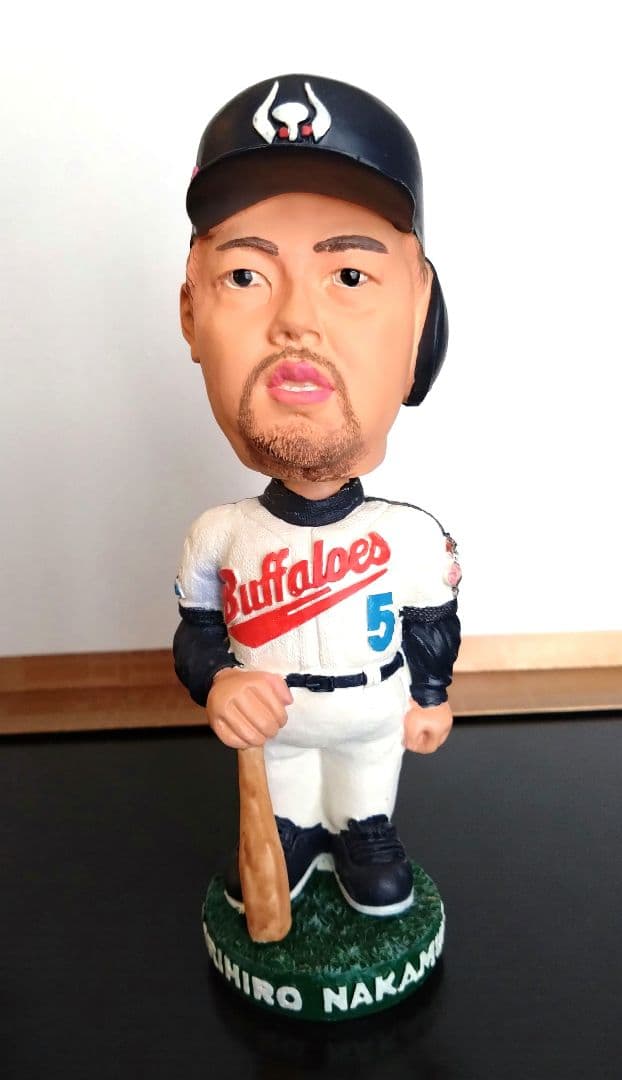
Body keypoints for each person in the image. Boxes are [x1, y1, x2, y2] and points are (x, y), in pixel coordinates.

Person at [173, 74, 461, 917]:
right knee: (288, 795)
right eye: (245, 275)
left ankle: (365, 829)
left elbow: (430, 621)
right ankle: (296, 832)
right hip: (279, 727)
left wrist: (431, 694)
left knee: (366, 791)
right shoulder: (220, 535)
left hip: (372, 709)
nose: (296, 320)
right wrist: (218, 683)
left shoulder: (409, 538)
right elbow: (197, 634)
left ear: (421, 315)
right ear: (189, 314)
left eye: (350, 275)